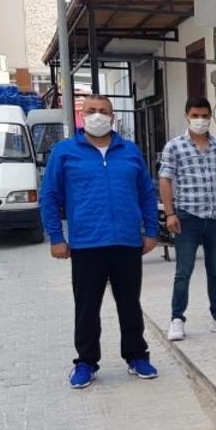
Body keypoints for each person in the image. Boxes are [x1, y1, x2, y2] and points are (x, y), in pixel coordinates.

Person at [39, 93, 160, 389]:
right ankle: (86, 362)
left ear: (113, 116)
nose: (97, 115)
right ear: (82, 115)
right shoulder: (65, 152)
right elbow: (49, 196)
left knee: (130, 304)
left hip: (127, 244)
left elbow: (146, 193)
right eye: (91, 110)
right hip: (86, 244)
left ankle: (137, 356)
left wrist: (152, 231)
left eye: (103, 111)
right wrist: (56, 237)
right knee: (87, 307)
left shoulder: (130, 151)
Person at [158, 97, 216, 342]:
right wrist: (170, 213)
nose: (200, 120)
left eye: (205, 115)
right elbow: (165, 179)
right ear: (187, 115)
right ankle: (177, 319)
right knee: (183, 271)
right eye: (195, 115)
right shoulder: (174, 147)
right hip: (187, 218)